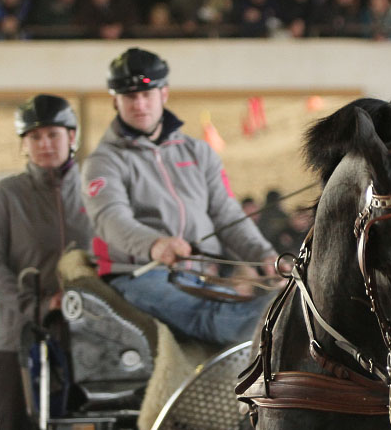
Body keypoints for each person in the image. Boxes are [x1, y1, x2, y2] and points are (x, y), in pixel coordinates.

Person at [82, 47, 277, 345]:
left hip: (203, 273)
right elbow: (110, 217)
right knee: (221, 319)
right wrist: (155, 245)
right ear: (115, 100)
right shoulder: (103, 161)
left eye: (147, 94)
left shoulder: (199, 152)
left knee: (260, 308)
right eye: (129, 97)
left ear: (164, 94)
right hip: (140, 275)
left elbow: (226, 212)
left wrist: (264, 256)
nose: (139, 104)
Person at [0, 95, 91, 430]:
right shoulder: (5, 195)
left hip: (85, 343)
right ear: (24, 144)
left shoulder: (95, 192)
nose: (44, 145)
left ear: (72, 137)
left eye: (53, 135)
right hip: (18, 341)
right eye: (34, 137)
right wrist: (35, 304)